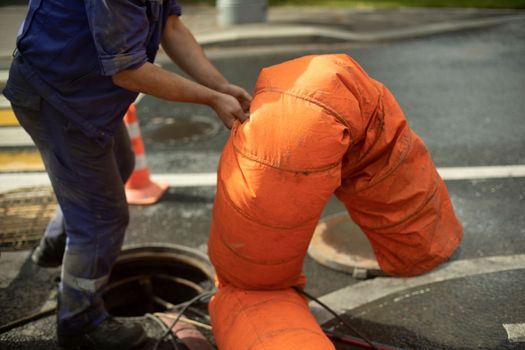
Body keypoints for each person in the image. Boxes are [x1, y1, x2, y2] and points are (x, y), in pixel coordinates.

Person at [2, 1, 251, 349]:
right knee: (101, 216)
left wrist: (221, 86)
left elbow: (171, 28)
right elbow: (129, 70)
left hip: (84, 95)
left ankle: (57, 249)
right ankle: (80, 322)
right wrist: (210, 98)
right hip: (56, 99)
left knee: (120, 165)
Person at [207, 54, 463, 349]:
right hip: (328, 87)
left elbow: (170, 30)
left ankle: (420, 252)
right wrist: (214, 92)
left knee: (251, 279)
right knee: (383, 159)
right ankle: (421, 252)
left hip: (293, 107)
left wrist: (217, 89)